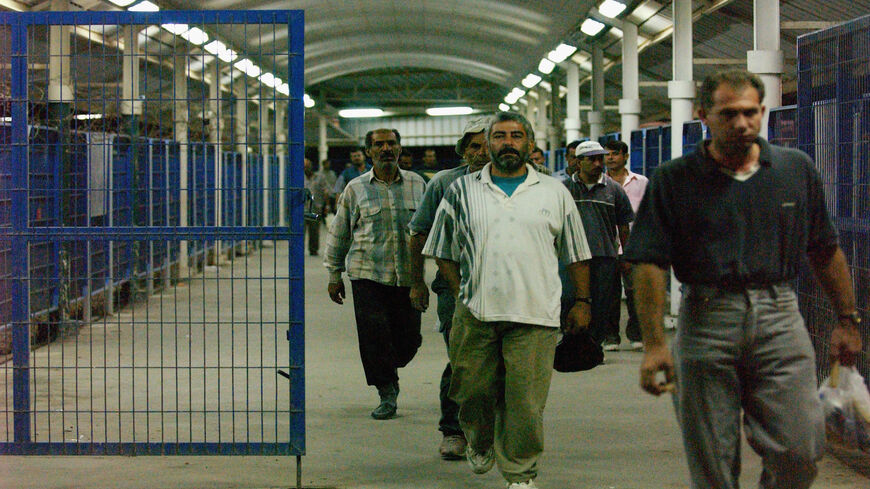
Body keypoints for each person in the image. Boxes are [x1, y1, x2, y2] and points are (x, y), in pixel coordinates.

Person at [625, 69, 863, 489]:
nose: (741, 123)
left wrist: (847, 319)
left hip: (779, 317)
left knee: (801, 450)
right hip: (706, 319)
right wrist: (655, 345)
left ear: (763, 111)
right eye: (728, 113)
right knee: (713, 458)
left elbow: (824, 248)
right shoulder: (674, 179)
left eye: (750, 112)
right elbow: (648, 263)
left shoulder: (794, 169)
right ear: (703, 115)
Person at [423, 112, 592, 489]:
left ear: (530, 144)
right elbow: (442, 250)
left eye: (516, 136)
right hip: (477, 312)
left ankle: (520, 471)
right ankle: (480, 440)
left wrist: (582, 301)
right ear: (488, 144)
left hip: (537, 315)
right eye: (499, 136)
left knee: (526, 403)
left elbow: (577, 253)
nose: (507, 143)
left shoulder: (554, 192)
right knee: (473, 391)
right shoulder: (461, 190)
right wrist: (461, 292)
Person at [323, 128, 427, 420]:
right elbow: (340, 232)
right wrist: (334, 274)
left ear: (400, 147)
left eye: (391, 143)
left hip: (407, 277)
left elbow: (432, 227)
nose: (386, 149)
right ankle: (386, 391)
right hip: (366, 274)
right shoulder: (355, 188)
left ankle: (391, 367)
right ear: (368, 151)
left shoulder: (418, 184)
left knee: (408, 343)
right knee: (374, 337)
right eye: (379, 145)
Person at [408, 116, 490, 460]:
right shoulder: (444, 183)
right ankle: (454, 430)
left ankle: (491, 429)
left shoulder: (521, 184)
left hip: (507, 287)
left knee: (502, 360)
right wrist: (417, 284)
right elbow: (418, 233)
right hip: (452, 287)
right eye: (474, 146)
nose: (482, 153)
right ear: (463, 151)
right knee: (462, 358)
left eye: (489, 144)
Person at [563, 141, 633, 351]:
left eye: (599, 159)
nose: (597, 163)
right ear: (578, 162)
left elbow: (623, 226)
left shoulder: (614, 190)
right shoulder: (564, 189)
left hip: (604, 257)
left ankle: (595, 346)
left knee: (603, 304)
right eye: (591, 159)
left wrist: (625, 256)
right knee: (569, 300)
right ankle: (572, 344)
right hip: (571, 258)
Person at [604, 140, 648, 350]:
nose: (610, 158)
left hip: (634, 247)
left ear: (626, 156)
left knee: (635, 292)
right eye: (607, 154)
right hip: (608, 246)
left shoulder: (642, 182)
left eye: (615, 154)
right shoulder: (599, 183)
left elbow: (648, 214)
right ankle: (611, 337)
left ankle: (636, 335)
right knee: (609, 294)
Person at [303, 157, 331, 255]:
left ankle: (313, 249)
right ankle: (298, 250)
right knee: (299, 231)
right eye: (304, 166)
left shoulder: (320, 177)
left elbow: (326, 191)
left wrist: (327, 206)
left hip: (316, 208)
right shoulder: (298, 178)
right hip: (301, 208)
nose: (306, 168)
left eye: (308, 166)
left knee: (314, 230)